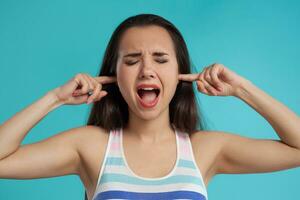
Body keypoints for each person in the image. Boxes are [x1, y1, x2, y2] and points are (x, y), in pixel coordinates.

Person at [0, 13, 299, 200]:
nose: (146, 70)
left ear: (180, 72)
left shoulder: (204, 150)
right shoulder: (91, 147)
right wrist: (55, 98)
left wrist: (241, 89)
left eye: (160, 59)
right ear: (113, 75)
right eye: (131, 61)